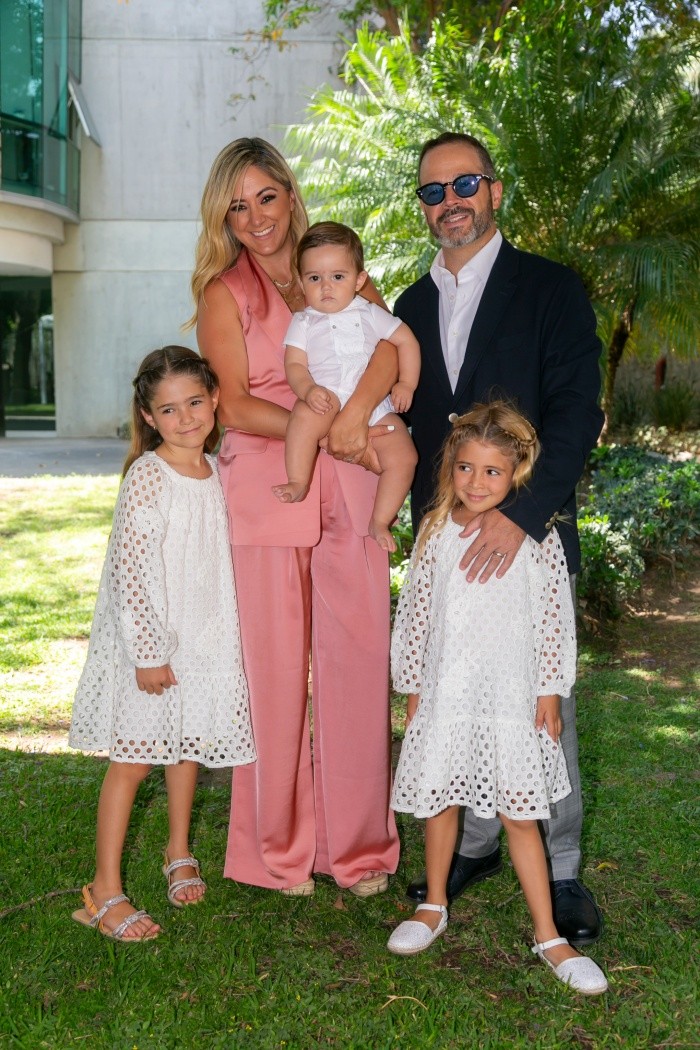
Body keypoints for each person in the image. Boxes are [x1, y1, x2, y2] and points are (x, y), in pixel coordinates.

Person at [394, 132, 605, 944]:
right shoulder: (408, 307)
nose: (450, 202)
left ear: (494, 189)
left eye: (464, 184)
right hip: (448, 546)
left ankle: (562, 866)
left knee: (540, 711)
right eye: (433, 191)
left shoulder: (550, 288)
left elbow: (577, 410)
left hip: (528, 538)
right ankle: (474, 845)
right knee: (453, 695)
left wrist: (523, 515)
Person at [191, 138, 400, 896]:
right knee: (275, 675)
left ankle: (359, 850)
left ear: (289, 191)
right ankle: (276, 851)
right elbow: (234, 405)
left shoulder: (337, 264)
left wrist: (356, 420)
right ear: (224, 219)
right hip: (269, 486)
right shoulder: (225, 293)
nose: (255, 218)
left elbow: (388, 348)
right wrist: (321, 429)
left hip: (353, 479)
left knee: (357, 661)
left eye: (265, 197)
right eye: (236, 207)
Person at [386, 403, 607, 994]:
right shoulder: (435, 531)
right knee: (440, 800)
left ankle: (548, 935)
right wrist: (413, 686)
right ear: (450, 467)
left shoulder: (536, 537)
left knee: (520, 813)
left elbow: (554, 620)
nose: (476, 482)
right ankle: (433, 903)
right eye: (465, 467)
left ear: (516, 473)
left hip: (510, 696)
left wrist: (550, 691)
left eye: (492, 471)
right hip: (448, 691)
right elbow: (416, 615)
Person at [69, 346, 255, 941]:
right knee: (134, 760)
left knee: (187, 743)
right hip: (152, 644)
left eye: (195, 402)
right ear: (149, 417)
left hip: (203, 635)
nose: (185, 418)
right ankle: (103, 889)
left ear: (214, 398)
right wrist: (148, 652)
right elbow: (131, 572)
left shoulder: (217, 471)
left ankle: (178, 849)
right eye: (169, 410)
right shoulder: (149, 477)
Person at [272, 221, 419, 552]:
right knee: (302, 418)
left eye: (338, 276)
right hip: (326, 395)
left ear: (359, 280)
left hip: (375, 403)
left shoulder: (370, 313)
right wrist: (307, 390)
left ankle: (380, 520)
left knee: (405, 457)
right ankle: (298, 480)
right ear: (301, 282)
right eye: (315, 278)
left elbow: (406, 341)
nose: (326, 287)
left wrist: (406, 383)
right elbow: (294, 365)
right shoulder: (303, 321)